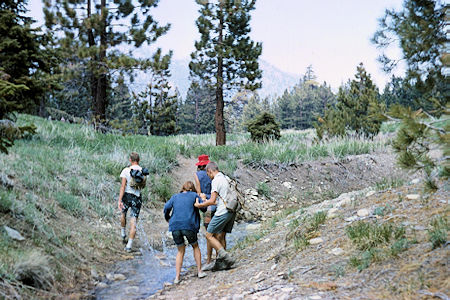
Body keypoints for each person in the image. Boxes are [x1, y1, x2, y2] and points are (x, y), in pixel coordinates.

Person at [194, 162, 236, 270]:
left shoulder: (216, 180)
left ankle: (225, 256)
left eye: (208, 174)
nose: (209, 177)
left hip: (222, 211)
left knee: (209, 235)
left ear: (210, 171)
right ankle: (223, 263)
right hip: (232, 209)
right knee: (221, 236)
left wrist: (200, 205)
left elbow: (212, 201)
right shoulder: (225, 177)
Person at [164, 181, 207, 284]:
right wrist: (203, 199)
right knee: (195, 246)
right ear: (192, 189)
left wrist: (168, 218)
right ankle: (200, 271)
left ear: (183, 188)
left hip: (175, 226)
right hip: (188, 225)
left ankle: (177, 277)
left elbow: (166, 207)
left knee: (180, 250)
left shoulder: (175, 196)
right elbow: (204, 208)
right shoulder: (194, 195)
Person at [193, 154, 217, 271]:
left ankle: (208, 260)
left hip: (205, 204)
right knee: (218, 232)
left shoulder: (197, 175)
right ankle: (218, 256)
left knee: (209, 233)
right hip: (215, 202)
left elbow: (199, 192)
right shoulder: (213, 173)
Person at [118, 152, 145, 252]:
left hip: (126, 196)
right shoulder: (142, 171)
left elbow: (123, 186)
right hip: (137, 197)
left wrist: (120, 200)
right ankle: (129, 245)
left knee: (123, 214)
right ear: (139, 160)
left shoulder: (126, 170)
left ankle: (123, 232)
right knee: (133, 221)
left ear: (130, 160)